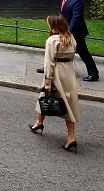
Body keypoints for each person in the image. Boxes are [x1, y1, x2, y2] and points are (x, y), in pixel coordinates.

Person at [30, 15, 81, 153]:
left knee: (45, 95)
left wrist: (48, 81)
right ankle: (40, 123)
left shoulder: (52, 40)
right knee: (68, 104)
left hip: (56, 74)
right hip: (69, 74)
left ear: (53, 28)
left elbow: (49, 63)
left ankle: (68, 138)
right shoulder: (71, 38)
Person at [36, 0, 99, 82]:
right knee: (55, 50)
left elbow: (76, 18)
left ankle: (94, 74)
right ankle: (48, 68)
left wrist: (68, 32)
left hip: (75, 32)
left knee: (83, 52)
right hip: (63, 29)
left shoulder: (77, 0)